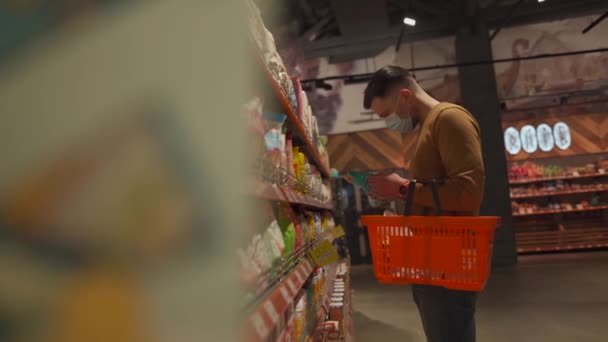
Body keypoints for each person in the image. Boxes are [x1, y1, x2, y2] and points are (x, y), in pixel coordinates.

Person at [363, 65, 485, 342]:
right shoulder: (429, 126)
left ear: (405, 96)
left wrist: (404, 188)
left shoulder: (450, 119)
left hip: (451, 261)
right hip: (432, 259)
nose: (389, 123)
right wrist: (403, 207)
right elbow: (433, 191)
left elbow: (469, 192)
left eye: (386, 115)